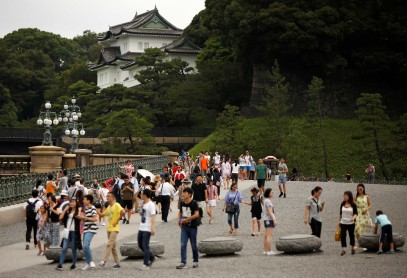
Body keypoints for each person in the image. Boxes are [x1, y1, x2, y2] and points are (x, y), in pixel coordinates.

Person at [99, 192, 125, 269]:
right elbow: (102, 215)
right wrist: (95, 209)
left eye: (109, 196)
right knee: (113, 247)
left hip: (115, 228)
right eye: (107, 196)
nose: (107, 198)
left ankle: (104, 260)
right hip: (109, 229)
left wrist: (118, 220)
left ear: (113, 197)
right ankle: (117, 263)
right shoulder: (109, 207)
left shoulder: (116, 205)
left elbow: (122, 212)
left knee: (109, 244)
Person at [177, 187, 200, 269]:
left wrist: (187, 219)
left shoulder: (194, 203)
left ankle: (195, 261)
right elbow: (180, 212)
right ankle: (183, 262)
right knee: (183, 244)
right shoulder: (182, 203)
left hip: (192, 227)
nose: (183, 194)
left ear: (189, 194)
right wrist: (179, 220)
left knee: (193, 244)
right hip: (184, 227)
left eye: (184, 193)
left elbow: (197, 214)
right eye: (183, 192)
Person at [56, 198, 83, 270]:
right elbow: (60, 217)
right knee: (64, 248)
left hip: (74, 232)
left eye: (73, 202)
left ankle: (74, 264)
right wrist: (65, 210)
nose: (72, 203)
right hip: (67, 231)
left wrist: (79, 210)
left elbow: (80, 217)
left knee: (74, 249)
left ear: (76, 203)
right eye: (71, 202)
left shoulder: (78, 211)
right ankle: (60, 264)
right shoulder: (68, 211)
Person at [76, 194, 98, 270]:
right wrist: (81, 217)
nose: (83, 201)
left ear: (89, 200)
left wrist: (84, 217)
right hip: (86, 228)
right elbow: (84, 219)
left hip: (91, 228)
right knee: (85, 246)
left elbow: (95, 219)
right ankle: (88, 263)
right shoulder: (85, 208)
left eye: (85, 199)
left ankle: (91, 262)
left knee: (85, 245)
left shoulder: (93, 208)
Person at [137, 189, 156, 270]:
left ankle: (146, 263)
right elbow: (142, 215)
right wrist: (140, 209)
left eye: (142, 194)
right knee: (140, 245)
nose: (141, 195)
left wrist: (152, 227)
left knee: (145, 246)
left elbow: (153, 216)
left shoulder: (151, 204)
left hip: (147, 227)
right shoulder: (144, 203)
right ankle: (151, 257)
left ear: (145, 195)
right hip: (141, 226)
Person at [304, 186, 325, 251]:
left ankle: (317, 247)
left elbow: (320, 210)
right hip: (312, 218)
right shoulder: (309, 199)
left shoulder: (319, 200)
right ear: (314, 192)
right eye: (319, 192)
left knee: (318, 234)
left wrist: (322, 205)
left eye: (320, 193)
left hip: (319, 218)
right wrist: (306, 218)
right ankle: (308, 244)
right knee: (315, 232)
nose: (319, 194)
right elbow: (306, 209)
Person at [339, 191, 358, 256]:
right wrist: (339, 221)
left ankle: (353, 247)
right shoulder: (342, 204)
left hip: (351, 223)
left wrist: (353, 217)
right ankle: (344, 249)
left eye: (346, 195)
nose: (344, 197)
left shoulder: (353, 204)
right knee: (343, 235)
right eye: (344, 195)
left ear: (349, 196)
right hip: (343, 222)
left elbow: (356, 213)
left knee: (351, 235)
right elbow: (340, 213)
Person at [263, 188, 277, 255]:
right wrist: (274, 219)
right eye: (271, 192)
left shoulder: (266, 201)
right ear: (268, 193)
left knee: (266, 235)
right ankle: (269, 250)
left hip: (266, 219)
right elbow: (269, 211)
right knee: (269, 235)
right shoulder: (268, 201)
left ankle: (265, 250)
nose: (273, 193)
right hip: (269, 219)